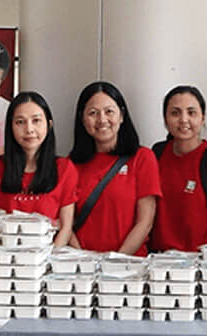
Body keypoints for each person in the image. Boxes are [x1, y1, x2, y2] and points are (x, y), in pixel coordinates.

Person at [69, 81, 161, 256]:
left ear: (121, 115)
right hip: (81, 269)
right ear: (82, 119)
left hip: (129, 266)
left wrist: (116, 261)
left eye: (109, 111)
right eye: (93, 113)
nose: (102, 120)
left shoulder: (142, 158)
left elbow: (145, 222)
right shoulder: (70, 165)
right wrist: (82, 259)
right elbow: (66, 223)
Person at [0, 91, 76, 244]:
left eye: (36, 121)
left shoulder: (64, 168)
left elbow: (66, 228)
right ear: (10, 127)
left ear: (49, 124)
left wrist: (46, 262)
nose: (29, 129)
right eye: (20, 122)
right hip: (5, 259)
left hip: (48, 260)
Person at [150, 85, 207, 251]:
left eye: (191, 113)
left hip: (202, 263)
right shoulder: (156, 154)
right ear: (165, 119)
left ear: (202, 118)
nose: (184, 120)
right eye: (175, 113)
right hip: (159, 262)